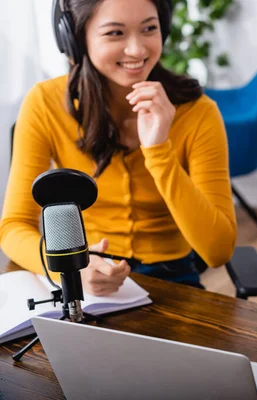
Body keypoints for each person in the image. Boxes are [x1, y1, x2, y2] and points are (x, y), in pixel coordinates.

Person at [0, 0, 236, 295]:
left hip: (170, 275)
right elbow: (14, 225)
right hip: (84, 264)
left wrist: (159, 150)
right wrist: (71, 266)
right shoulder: (45, 103)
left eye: (149, 28)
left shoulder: (198, 112)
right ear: (75, 38)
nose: (137, 50)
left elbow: (218, 251)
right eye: (115, 33)